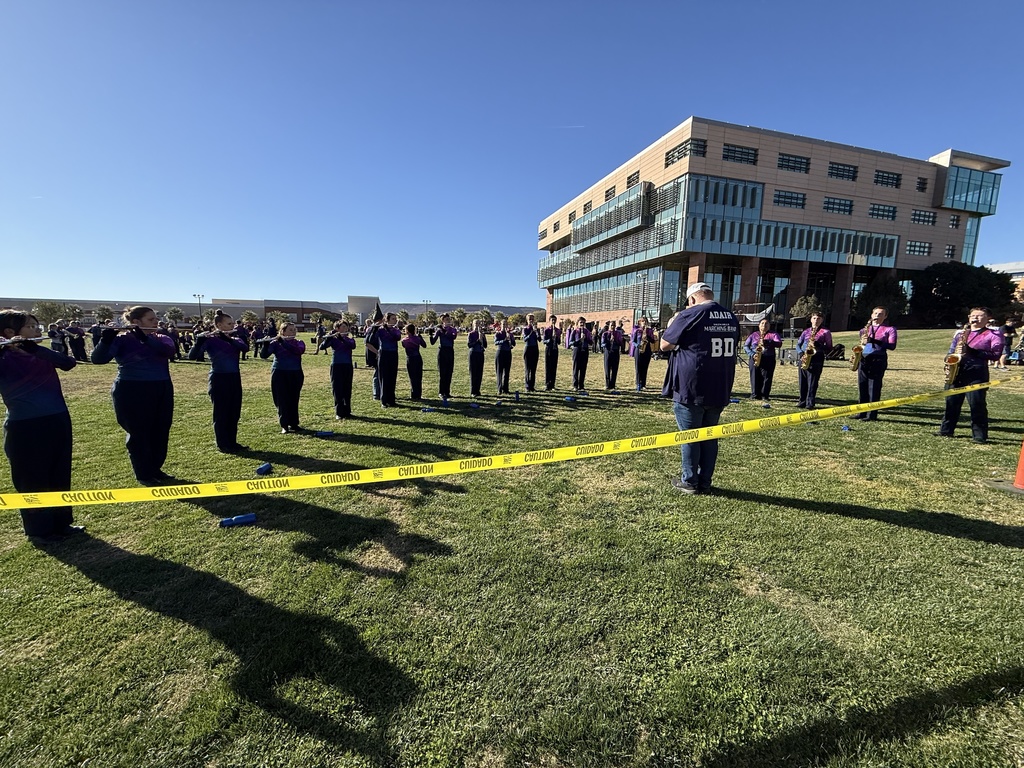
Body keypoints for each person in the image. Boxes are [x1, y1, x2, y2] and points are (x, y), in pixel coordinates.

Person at [0, 310, 83, 543]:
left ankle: (62, 522)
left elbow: (68, 363)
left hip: (58, 419)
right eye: (31, 327)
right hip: (25, 426)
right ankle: (39, 530)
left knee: (59, 472)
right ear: (9, 332)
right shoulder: (3, 358)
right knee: (32, 479)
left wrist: (35, 348)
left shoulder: (39, 354)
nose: (38, 331)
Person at [660, 283, 740, 494]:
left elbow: (664, 344)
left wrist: (674, 322)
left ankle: (690, 481)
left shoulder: (690, 314)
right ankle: (705, 480)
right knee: (710, 436)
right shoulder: (730, 316)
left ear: (693, 299)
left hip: (692, 386)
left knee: (690, 436)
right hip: (720, 385)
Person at [91, 306, 178, 485]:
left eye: (156, 318)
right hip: (131, 390)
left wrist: (145, 338)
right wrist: (105, 340)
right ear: (136, 322)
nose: (156, 322)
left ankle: (155, 468)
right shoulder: (122, 340)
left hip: (161, 388)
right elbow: (98, 359)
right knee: (139, 432)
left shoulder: (162, 338)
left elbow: (168, 352)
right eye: (151, 320)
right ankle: (144, 473)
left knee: (160, 430)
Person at [936, 307, 1003, 443]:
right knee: (951, 402)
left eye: (979, 316)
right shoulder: (961, 334)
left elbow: (995, 355)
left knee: (976, 404)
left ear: (987, 319)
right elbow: (950, 352)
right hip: (958, 370)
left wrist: (972, 351)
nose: (975, 318)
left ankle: (979, 435)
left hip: (977, 372)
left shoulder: (994, 334)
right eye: (973, 315)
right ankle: (946, 430)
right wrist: (949, 361)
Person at [192, 310, 249, 452]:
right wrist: (198, 343)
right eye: (229, 324)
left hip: (235, 379)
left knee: (234, 412)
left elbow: (244, 348)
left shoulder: (236, 340)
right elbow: (193, 356)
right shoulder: (210, 340)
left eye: (233, 323)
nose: (233, 326)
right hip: (219, 379)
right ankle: (223, 444)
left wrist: (228, 339)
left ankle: (232, 442)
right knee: (221, 413)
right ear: (219, 325)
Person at [852, 306, 898, 421]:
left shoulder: (890, 329)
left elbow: (892, 346)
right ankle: (861, 412)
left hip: (878, 359)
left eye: (881, 314)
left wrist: (873, 340)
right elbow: (862, 344)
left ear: (885, 316)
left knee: (874, 387)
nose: (877, 316)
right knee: (862, 386)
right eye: (876, 313)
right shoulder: (864, 330)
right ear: (871, 315)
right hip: (864, 358)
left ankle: (871, 414)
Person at [259, 322, 306, 433]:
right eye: (290, 330)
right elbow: (264, 355)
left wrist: (283, 343)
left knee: (293, 399)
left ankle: (294, 424)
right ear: (282, 331)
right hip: (279, 373)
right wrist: (265, 345)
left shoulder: (299, 343)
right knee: (281, 399)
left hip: (295, 373)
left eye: (294, 330)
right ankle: (284, 425)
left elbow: (298, 351)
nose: (293, 332)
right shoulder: (275, 343)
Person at [795, 311, 833, 410]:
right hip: (804, 357)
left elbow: (829, 347)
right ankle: (802, 401)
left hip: (816, 359)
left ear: (822, 320)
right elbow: (798, 344)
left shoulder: (826, 332)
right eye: (814, 318)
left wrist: (818, 345)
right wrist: (800, 353)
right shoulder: (806, 331)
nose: (816, 320)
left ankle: (810, 402)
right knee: (802, 381)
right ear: (811, 319)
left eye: (819, 318)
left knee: (812, 382)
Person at [320, 320, 356, 419]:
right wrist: (328, 338)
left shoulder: (350, 339)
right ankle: (339, 412)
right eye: (343, 327)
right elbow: (322, 347)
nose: (346, 329)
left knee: (347, 388)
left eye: (346, 327)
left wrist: (342, 339)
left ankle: (347, 411)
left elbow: (352, 346)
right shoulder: (333, 339)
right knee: (337, 389)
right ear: (337, 329)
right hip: (336, 365)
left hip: (347, 365)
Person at [742, 318, 782, 407]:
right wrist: (752, 354)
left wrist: (768, 342)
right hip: (755, 357)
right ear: (759, 325)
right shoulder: (754, 335)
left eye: (766, 323)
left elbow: (779, 343)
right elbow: (746, 346)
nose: (764, 325)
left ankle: (765, 395)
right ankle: (755, 394)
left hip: (768, 358)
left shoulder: (773, 334)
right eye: (762, 323)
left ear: (769, 326)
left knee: (767, 377)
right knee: (754, 376)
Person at [375, 313, 401, 408]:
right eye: (393, 319)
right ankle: (384, 401)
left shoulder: (396, 330)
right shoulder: (380, 330)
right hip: (384, 354)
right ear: (387, 320)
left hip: (393, 353)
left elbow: (397, 337)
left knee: (392, 377)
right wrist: (375, 328)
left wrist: (392, 329)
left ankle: (391, 400)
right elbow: (370, 337)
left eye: (395, 319)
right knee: (384, 377)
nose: (395, 320)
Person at [430, 314, 458, 399]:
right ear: (443, 320)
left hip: (450, 351)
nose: (448, 320)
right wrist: (431, 333)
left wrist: (444, 330)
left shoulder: (453, 329)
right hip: (442, 351)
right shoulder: (439, 330)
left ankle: (447, 392)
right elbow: (432, 342)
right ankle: (441, 392)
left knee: (449, 372)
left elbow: (453, 337)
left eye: (449, 319)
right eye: (446, 319)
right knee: (443, 373)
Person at [630, 317, 658, 391]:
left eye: (645, 321)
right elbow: (632, 341)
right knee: (638, 367)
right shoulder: (636, 330)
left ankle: (643, 384)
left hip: (647, 350)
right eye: (642, 321)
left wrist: (648, 336)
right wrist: (637, 345)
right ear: (639, 322)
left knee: (645, 367)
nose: (644, 322)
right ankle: (638, 383)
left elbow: (652, 341)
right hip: (638, 349)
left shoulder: (649, 330)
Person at [402, 323, 427, 400]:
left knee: (412, 377)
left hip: (410, 359)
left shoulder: (404, 340)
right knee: (419, 377)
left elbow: (404, 345)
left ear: (407, 331)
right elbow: (424, 345)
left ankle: (413, 394)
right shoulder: (418, 339)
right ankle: (418, 394)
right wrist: (420, 337)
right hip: (418, 358)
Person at [565, 317, 591, 391]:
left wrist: (586, 339)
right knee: (576, 368)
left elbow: (591, 342)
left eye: (583, 322)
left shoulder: (587, 332)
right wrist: (579, 340)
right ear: (578, 323)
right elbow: (570, 342)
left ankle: (581, 385)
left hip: (585, 351)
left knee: (583, 368)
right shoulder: (574, 332)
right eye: (580, 322)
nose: (582, 324)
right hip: (577, 350)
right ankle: (575, 385)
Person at [600, 320, 624, 390]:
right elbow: (602, 344)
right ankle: (607, 385)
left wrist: (616, 340)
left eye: (614, 325)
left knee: (614, 369)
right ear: (609, 326)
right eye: (611, 325)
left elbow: (621, 343)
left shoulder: (618, 334)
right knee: (607, 369)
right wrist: (609, 341)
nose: (612, 327)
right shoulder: (605, 334)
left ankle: (613, 385)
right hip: (608, 352)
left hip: (615, 352)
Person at [493, 320, 515, 394]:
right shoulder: (498, 333)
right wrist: (504, 340)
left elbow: (514, 344)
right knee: (499, 371)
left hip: (508, 353)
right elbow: (496, 342)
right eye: (503, 324)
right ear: (500, 325)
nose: (504, 325)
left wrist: (511, 339)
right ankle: (499, 388)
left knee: (507, 372)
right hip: (500, 352)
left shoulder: (510, 334)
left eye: (506, 324)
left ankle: (506, 388)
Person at [467, 319, 487, 398]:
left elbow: (485, 345)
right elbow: (469, 345)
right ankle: (473, 391)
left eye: (479, 323)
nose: (477, 325)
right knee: (473, 373)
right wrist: (477, 341)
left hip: (480, 353)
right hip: (473, 354)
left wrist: (482, 338)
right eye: (476, 323)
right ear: (473, 325)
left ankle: (478, 390)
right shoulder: (471, 334)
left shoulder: (482, 334)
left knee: (479, 373)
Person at [521, 314, 540, 392]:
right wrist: (530, 333)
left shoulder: (536, 329)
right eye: (530, 319)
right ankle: (527, 386)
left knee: (533, 369)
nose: (531, 321)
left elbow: (539, 339)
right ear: (527, 320)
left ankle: (532, 386)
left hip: (535, 349)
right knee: (527, 368)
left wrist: (536, 332)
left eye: (532, 319)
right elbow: (524, 339)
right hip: (528, 348)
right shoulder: (525, 329)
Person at [364, 317, 382, 402]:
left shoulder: (382, 330)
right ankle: (376, 393)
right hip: (374, 355)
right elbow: (367, 343)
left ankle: (382, 392)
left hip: (382, 354)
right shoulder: (372, 330)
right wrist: (377, 352)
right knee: (377, 374)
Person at [542, 314, 561, 390]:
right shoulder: (547, 330)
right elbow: (544, 341)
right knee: (548, 367)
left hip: (555, 349)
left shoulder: (558, 330)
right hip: (549, 349)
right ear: (549, 321)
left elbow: (559, 342)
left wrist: (556, 337)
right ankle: (547, 384)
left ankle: (552, 384)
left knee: (554, 367)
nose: (553, 321)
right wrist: (550, 339)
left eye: (554, 320)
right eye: (552, 320)